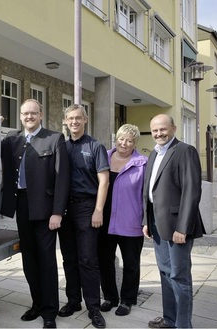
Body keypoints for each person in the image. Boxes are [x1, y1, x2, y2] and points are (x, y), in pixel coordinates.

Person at [0, 99, 70, 329]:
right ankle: (37, 303)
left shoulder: (54, 138)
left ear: (41, 115)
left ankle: (50, 311)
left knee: (47, 261)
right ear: (20, 116)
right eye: (24, 114)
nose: (28, 117)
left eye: (33, 113)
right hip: (22, 206)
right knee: (28, 260)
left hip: (46, 210)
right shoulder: (12, 140)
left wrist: (57, 212)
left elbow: (62, 179)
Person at [142, 114, 205, 328]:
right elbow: (148, 192)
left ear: (174, 128)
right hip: (157, 225)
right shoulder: (154, 154)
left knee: (179, 276)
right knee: (165, 273)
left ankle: (183, 325)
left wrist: (183, 227)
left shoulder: (185, 151)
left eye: (163, 129)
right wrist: (146, 221)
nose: (159, 134)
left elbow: (192, 191)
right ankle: (169, 319)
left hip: (178, 227)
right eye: (155, 131)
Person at [58, 104, 109, 329]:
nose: (74, 122)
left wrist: (98, 210)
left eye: (78, 118)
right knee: (69, 258)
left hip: (87, 208)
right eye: (71, 118)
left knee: (88, 260)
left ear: (85, 120)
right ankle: (73, 301)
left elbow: (104, 181)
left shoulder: (95, 146)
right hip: (64, 208)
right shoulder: (62, 146)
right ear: (66, 121)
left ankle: (94, 308)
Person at [97, 124, 147, 317]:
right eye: (121, 139)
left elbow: (146, 195)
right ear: (115, 139)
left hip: (131, 222)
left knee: (131, 263)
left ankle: (127, 300)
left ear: (135, 143)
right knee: (104, 261)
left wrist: (146, 221)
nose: (124, 143)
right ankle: (110, 296)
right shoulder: (104, 157)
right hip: (104, 221)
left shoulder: (142, 163)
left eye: (129, 140)